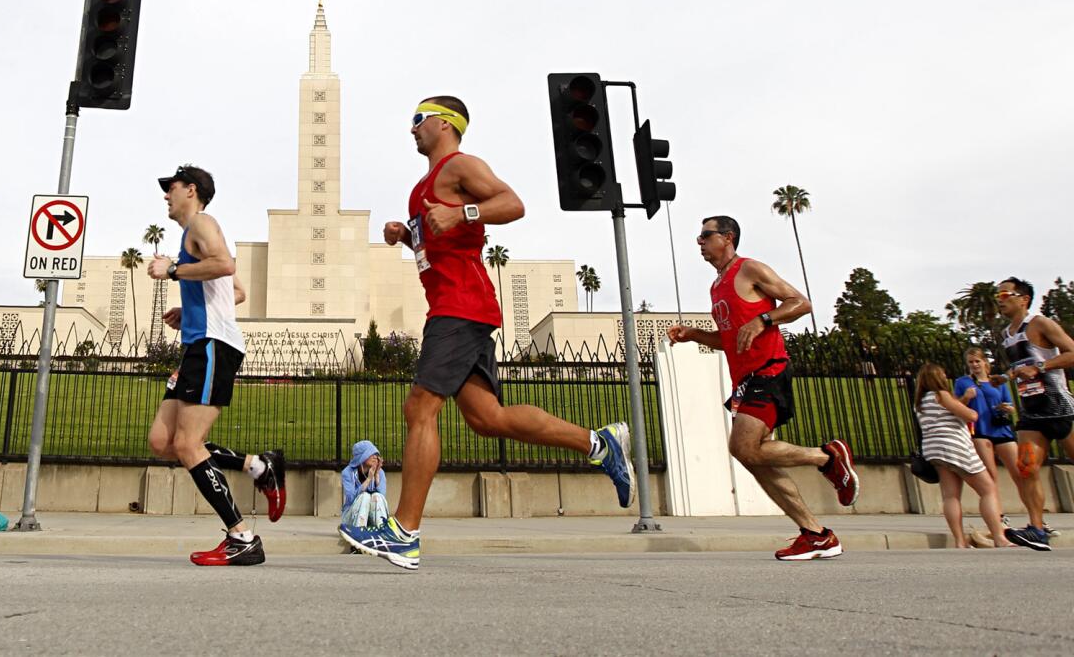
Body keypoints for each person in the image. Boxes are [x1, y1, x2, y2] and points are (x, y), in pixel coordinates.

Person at [340, 97, 632, 571]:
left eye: (418, 120)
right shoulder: (423, 187)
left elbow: (512, 204)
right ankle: (598, 443)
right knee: (488, 419)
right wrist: (406, 234)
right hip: (455, 306)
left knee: (420, 406)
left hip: (462, 305)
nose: (411, 129)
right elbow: (437, 238)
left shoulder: (461, 166)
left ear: (444, 124)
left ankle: (405, 532)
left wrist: (463, 214)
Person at [666, 216, 859, 561]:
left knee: (742, 447)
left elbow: (800, 302)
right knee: (755, 458)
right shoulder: (717, 286)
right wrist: (694, 334)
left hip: (769, 369)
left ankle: (827, 457)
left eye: (705, 235)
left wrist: (763, 319)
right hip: (744, 379)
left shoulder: (749, 269)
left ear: (727, 238)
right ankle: (816, 534)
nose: (699, 242)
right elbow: (730, 340)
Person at [145, 164, 286, 566]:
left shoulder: (201, 224)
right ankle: (259, 466)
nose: (165, 196)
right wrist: (187, 307)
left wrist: (172, 270)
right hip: (198, 343)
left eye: (170, 188)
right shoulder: (193, 237)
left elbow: (226, 267)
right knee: (163, 441)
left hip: (213, 345)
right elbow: (236, 291)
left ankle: (241, 536)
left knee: (188, 444)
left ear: (191, 190)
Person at [995, 276, 1074, 552]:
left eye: (1005, 295)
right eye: (998, 296)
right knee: (1026, 468)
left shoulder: (1040, 323)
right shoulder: (1006, 334)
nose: (1000, 301)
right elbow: (1023, 366)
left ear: (1023, 298)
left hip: (1060, 408)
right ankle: (1037, 529)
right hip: (1031, 412)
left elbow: (1072, 352)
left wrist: (1041, 368)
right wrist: (1005, 377)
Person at [915, 364, 1014, 548]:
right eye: (943, 374)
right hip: (955, 446)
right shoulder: (941, 395)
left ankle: (960, 541)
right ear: (938, 378)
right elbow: (970, 416)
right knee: (988, 489)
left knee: (951, 496)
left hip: (934, 449)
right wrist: (969, 402)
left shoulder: (920, 401)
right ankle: (999, 537)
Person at [953, 347, 1019, 525]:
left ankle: (1035, 515)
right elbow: (955, 407)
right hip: (980, 431)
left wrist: (1007, 408)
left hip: (1001, 429)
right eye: (971, 362)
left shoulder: (997, 381)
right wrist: (966, 398)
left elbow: (1011, 406)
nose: (974, 365)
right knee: (991, 475)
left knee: (1020, 471)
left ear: (985, 362)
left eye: (977, 361)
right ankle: (998, 514)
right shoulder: (962, 382)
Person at [340, 440, 388, 531]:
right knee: (364, 496)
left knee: (377, 496)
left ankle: (382, 530)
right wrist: (368, 479)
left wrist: (376, 475)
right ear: (361, 457)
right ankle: (359, 530)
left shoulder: (380, 472)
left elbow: (382, 498)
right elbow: (350, 498)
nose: (375, 457)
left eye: (376, 454)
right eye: (371, 453)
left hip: (371, 518)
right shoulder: (347, 472)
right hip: (350, 518)